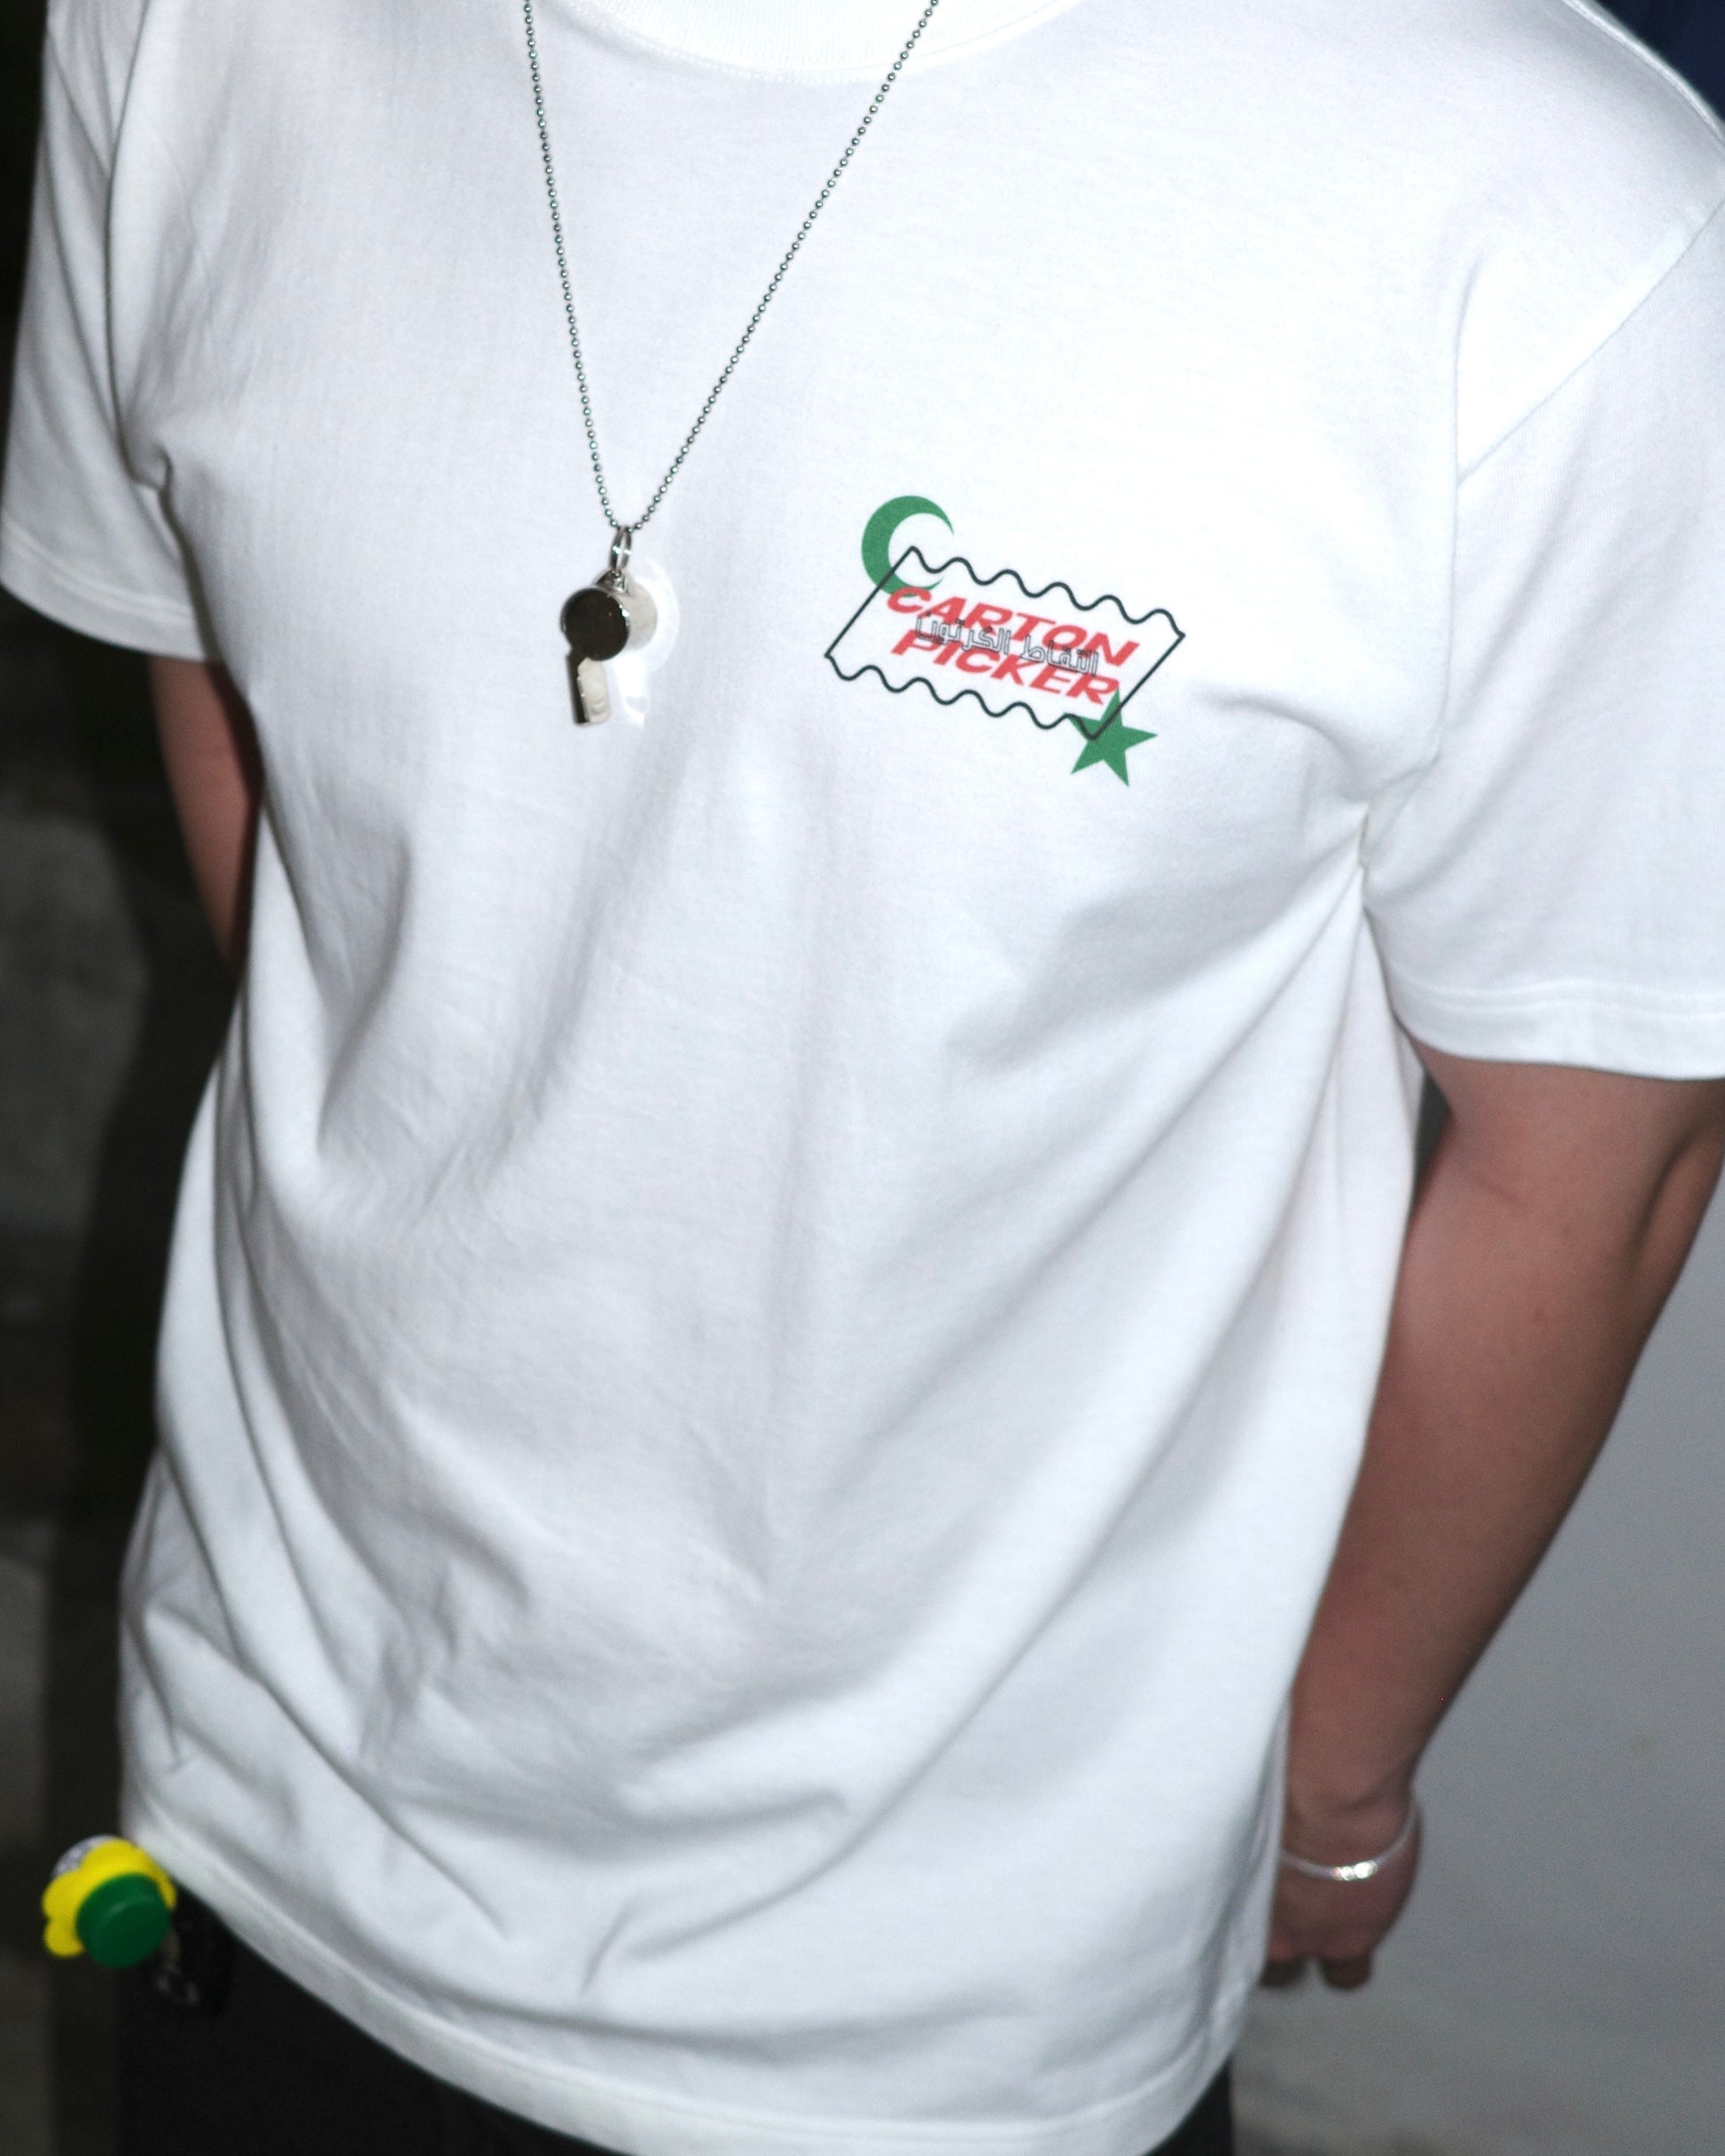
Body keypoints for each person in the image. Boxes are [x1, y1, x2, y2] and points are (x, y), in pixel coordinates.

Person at [4, 0, 1724, 2151]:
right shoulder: (185, 28)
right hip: (252, 1815)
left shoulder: (1552, 210)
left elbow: (1598, 1156)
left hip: (943, 2014)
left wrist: (1333, 1767)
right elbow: (226, 675)